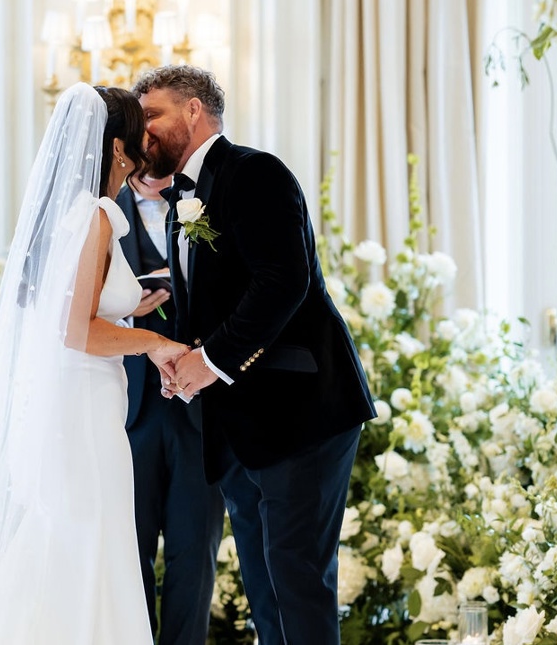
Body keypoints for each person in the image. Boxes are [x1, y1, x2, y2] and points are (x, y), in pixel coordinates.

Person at [0, 83, 188, 645]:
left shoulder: (58, 217)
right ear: (115, 149)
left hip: (67, 407)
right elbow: (74, 329)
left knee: (65, 546)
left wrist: (132, 304)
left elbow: (64, 308)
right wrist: (153, 344)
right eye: (135, 141)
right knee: (87, 548)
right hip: (83, 416)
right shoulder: (98, 214)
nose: (139, 154)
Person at [132, 65, 377, 645]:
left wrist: (209, 361)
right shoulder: (179, 202)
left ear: (194, 111)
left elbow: (282, 283)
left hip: (300, 412)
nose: (143, 133)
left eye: (152, 116)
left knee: (297, 584)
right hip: (239, 426)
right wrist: (179, 360)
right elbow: (214, 302)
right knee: (267, 594)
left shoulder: (255, 172)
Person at [117, 173, 224, 645]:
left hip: (201, 408)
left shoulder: (211, 201)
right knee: (126, 552)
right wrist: (124, 311)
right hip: (126, 409)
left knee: (195, 553)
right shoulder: (97, 209)